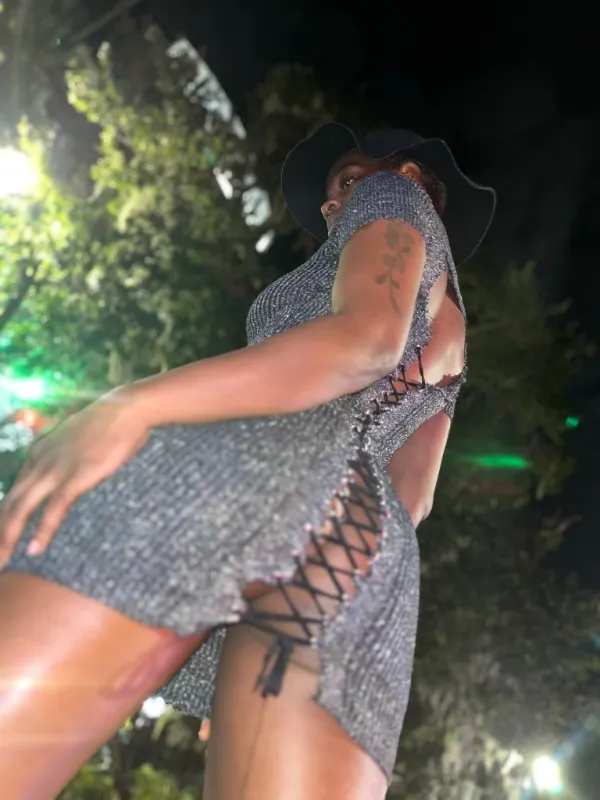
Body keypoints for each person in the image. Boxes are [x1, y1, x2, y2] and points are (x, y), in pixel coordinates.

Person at [0, 122, 495, 799]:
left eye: (348, 180)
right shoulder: (454, 331)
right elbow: (414, 499)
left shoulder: (393, 197)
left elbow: (366, 340)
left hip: (266, 472)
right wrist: (245, 650)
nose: (334, 201)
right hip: (367, 558)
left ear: (408, 176)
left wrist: (130, 407)